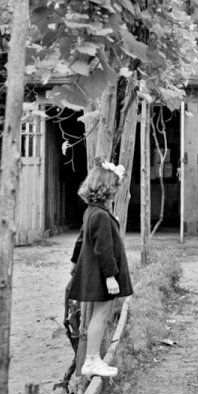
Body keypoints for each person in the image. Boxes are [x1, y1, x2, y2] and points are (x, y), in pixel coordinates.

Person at [67, 160, 134, 378]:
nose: (116, 192)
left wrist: (74, 265)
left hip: (94, 274)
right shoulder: (101, 215)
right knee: (101, 314)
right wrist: (110, 277)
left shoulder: (92, 212)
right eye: (114, 187)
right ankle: (91, 359)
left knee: (99, 313)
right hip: (101, 275)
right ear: (106, 188)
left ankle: (93, 358)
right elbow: (103, 249)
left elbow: (80, 240)